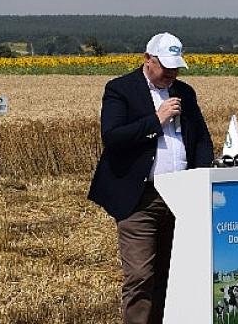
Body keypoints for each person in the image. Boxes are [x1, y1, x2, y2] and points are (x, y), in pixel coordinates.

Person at [88, 32, 214, 324]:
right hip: (140, 198)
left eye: (176, 67)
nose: (171, 73)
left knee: (172, 274)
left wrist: (201, 176)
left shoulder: (185, 92)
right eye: (165, 66)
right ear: (147, 59)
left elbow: (202, 141)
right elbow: (113, 137)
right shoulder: (120, 89)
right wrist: (156, 120)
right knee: (141, 277)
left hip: (181, 197)